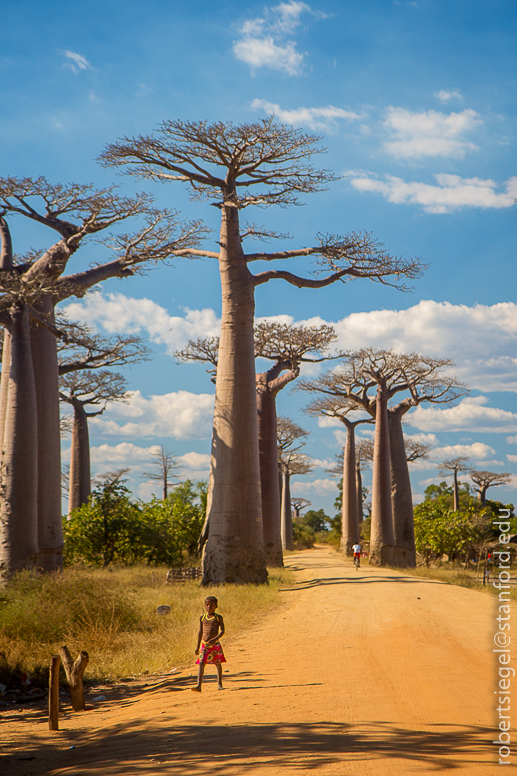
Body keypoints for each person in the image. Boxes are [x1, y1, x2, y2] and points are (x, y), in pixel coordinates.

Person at [192, 596, 226, 692]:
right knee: (201, 663)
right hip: (205, 645)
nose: (209, 607)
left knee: (218, 664)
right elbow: (200, 632)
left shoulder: (218, 618)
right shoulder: (202, 618)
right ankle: (199, 685)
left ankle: (219, 684)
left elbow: (222, 631)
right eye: (207, 605)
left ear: (216, 606)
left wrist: (215, 639)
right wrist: (197, 647)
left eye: (211, 605)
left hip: (215, 645)